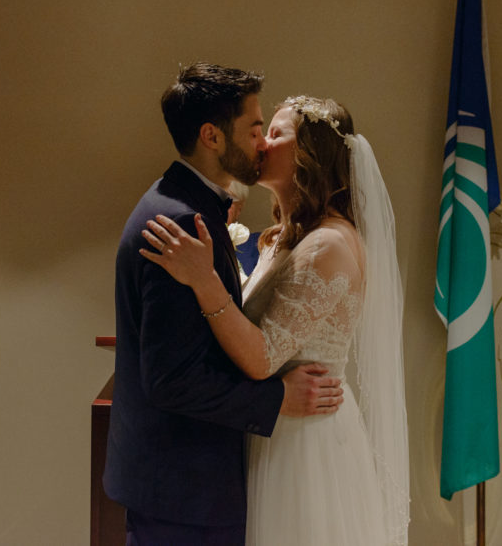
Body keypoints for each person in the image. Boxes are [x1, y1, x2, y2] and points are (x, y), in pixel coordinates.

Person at [141, 96, 410, 545]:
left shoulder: (329, 245)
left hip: (306, 448)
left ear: (309, 155)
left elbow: (263, 357)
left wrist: (203, 279)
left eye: (276, 134)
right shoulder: (286, 237)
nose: (262, 142)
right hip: (272, 431)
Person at [105, 65, 345, 545]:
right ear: (212, 136)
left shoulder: (186, 207)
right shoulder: (181, 223)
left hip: (185, 483)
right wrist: (277, 399)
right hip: (183, 488)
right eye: (255, 129)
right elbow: (172, 380)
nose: (261, 143)